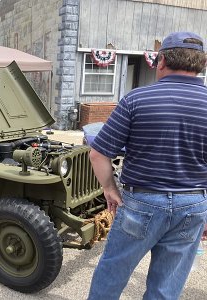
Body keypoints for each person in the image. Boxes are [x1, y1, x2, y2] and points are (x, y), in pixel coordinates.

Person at [87, 32, 207, 300]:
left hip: (142, 202)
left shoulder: (136, 100)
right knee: (166, 287)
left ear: (161, 61)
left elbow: (98, 154)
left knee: (112, 273)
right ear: (202, 64)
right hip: (193, 204)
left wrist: (109, 189)